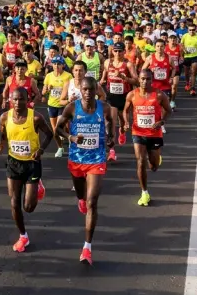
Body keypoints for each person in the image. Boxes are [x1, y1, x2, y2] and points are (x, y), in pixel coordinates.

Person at [55, 77, 116, 265]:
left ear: (96, 90)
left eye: (91, 89)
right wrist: (71, 137)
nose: (88, 93)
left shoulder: (103, 107)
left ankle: (87, 248)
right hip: (76, 160)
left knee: (92, 202)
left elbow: (111, 121)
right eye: (85, 90)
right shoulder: (72, 108)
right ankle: (80, 199)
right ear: (80, 90)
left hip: (97, 159)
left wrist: (111, 138)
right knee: (82, 196)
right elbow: (58, 129)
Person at [0, 87, 53, 252]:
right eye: (15, 99)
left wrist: (41, 151)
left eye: (21, 99)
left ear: (27, 100)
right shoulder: (5, 117)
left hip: (32, 164)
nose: (18, 102)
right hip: (13, 163)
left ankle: (37, 185)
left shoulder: (35, 117)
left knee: (28, 207)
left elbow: (50, 134)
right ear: (11, 101)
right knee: (14, 203)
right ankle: (23, 236)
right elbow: (3, 135)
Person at [124, 69, 171, 207]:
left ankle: (156, 159)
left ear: (152, 80)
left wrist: (161, 122)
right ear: (139, 79)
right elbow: (126, 111)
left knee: (153, 166)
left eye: (148, 79)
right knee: (140, 162)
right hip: (138, 133)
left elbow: (169, 110)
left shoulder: (159, 95)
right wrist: (126, 122)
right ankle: (144, 192)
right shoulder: (132, 94)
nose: (145, 81)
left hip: (154, 134)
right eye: (143, 79)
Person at [100, 42, 135, 162]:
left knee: (124, 122)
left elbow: (135, 80)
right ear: (112, 51)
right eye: (115, 51)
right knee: (111, 122)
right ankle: (112, 152)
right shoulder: (107, 62)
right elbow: (105, 72)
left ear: (124, 52)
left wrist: (124, 77)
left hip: (125, 97)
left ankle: (122, 132)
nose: (117, 53)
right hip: (111, 97)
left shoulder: (128, 64)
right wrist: (102, 80)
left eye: (120, 51)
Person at [42, 56, 71, 157]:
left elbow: (71, 90)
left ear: (63, 65)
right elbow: (43, 92)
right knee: (55, 130)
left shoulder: (68, 76)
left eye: (59, 63)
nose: (56, 66)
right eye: (54, 63)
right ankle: (60, 147)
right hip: (52, 105)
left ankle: (70, 140)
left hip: (63, 105)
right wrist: (47, 90)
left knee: (59, 126)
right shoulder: (49, 76)